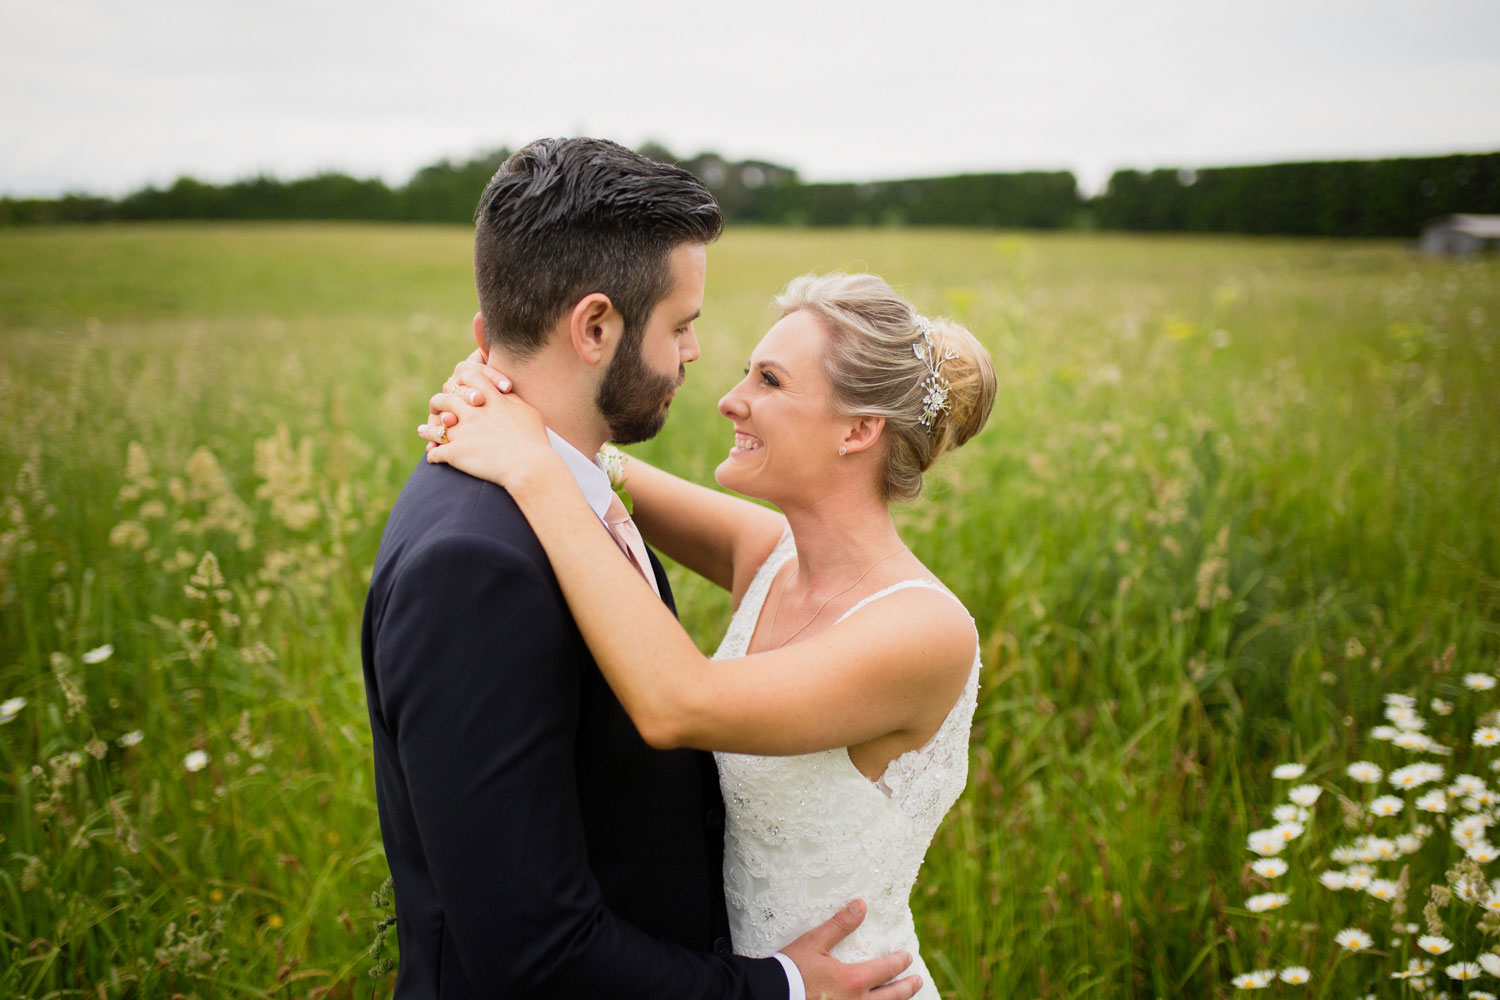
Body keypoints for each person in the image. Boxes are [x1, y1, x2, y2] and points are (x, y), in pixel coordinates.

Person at [362, 137, 921, 1000]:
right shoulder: (473, 562)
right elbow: (535, 953)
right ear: (595, 327)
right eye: (683, 325)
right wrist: (779, 989)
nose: (704, 364)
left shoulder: (565, 485)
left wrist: (513, 403)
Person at [420, 269, 997, 1000]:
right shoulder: (769, 555)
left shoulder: (922, 630)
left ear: (858, 430)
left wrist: (532, 466)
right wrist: (507, 400)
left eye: (770, 381)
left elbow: (676, 703)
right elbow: (603, 467)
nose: (731, 398)